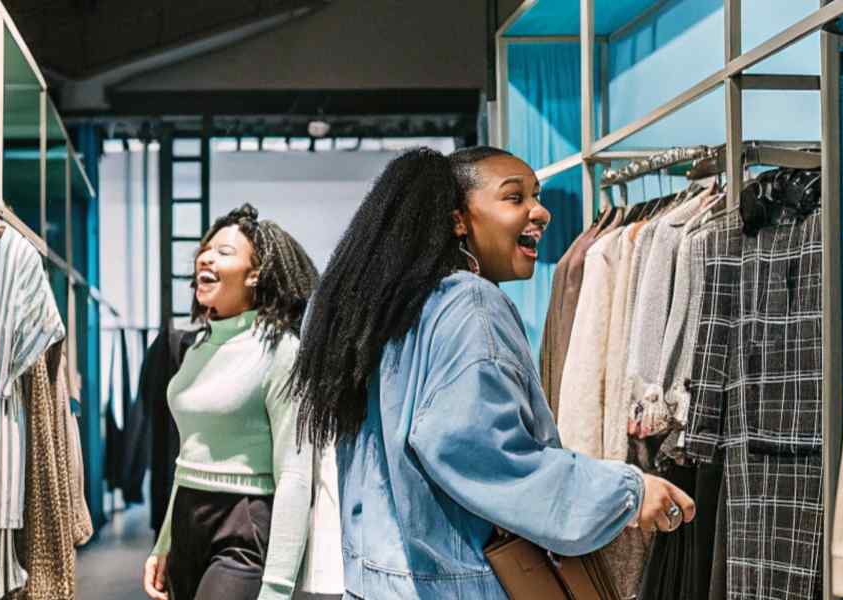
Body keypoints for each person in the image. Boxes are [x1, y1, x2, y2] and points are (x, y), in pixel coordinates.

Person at [288, 147, 696, 599]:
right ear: (459, 220)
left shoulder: (370, 313)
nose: (540, 211)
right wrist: (628, 493)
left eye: (535, 195)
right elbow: (484, 453)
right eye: (514, 197)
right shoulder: (468, 305)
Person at [142, 205, 327, 600]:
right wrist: (163, 544)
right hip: (187, 519)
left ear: (255, 273)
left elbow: (295, 475)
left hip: (243, 522)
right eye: (205, 250)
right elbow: (188, 457)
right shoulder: (197, 348)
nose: (206, 257)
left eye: (224, 252)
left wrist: (277, 587)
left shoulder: (281, 350)